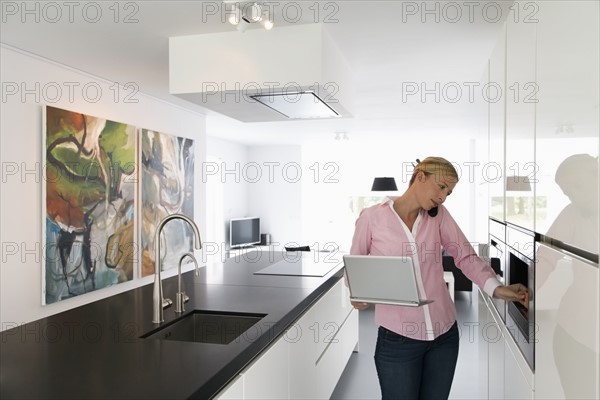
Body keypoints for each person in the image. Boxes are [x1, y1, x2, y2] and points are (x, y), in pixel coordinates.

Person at [349, 157, 527, 400]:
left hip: (445, 336)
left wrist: (497, 288)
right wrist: (358, 294)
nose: (443, 197)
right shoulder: (372, 218)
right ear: (421, 176)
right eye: (441, 187)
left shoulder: (439, 216)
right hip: (397, 339)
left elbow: (465, 256)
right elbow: (356, 267)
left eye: (449, 192)